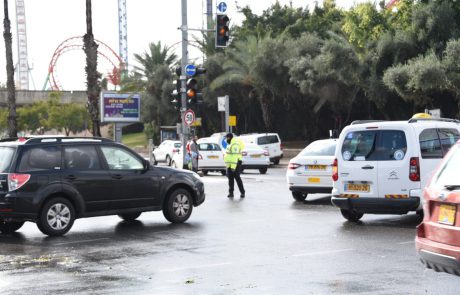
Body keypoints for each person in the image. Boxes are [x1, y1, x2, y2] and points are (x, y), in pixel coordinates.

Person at [223, 133, 245, 198]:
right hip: (230, 165)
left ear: (230, 137)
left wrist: (233, 167)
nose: (226, 139)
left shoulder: (235, 145)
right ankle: (231, 193)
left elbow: (234, 157)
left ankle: (242, 192)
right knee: (230, 180)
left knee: (237, 179)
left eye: (227, 138)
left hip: (235, 165)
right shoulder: (230, 144)